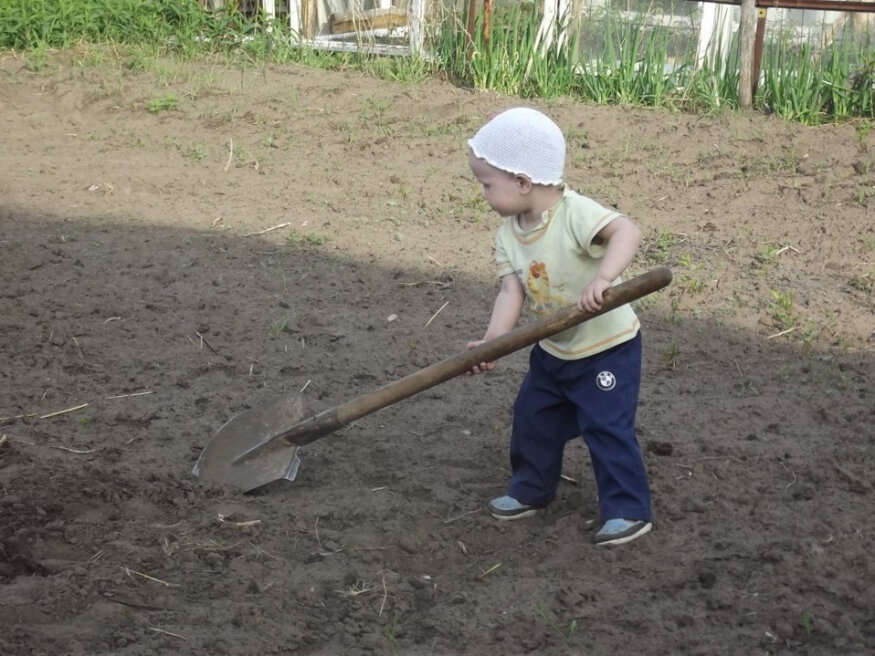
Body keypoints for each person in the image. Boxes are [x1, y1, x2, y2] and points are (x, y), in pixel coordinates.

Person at [466, 107, 653, 546]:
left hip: (608, 347)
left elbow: (628, 231)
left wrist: (603, 279)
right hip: (554, 351)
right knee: (533, 418)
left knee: (606, 427)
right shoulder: (507, 236)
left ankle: (628, 508)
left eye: (486, 184)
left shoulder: (575, 213)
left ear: (523, 182)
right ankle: (531, 489)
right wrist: (493, 343)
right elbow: (511, 293)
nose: (483, 193)